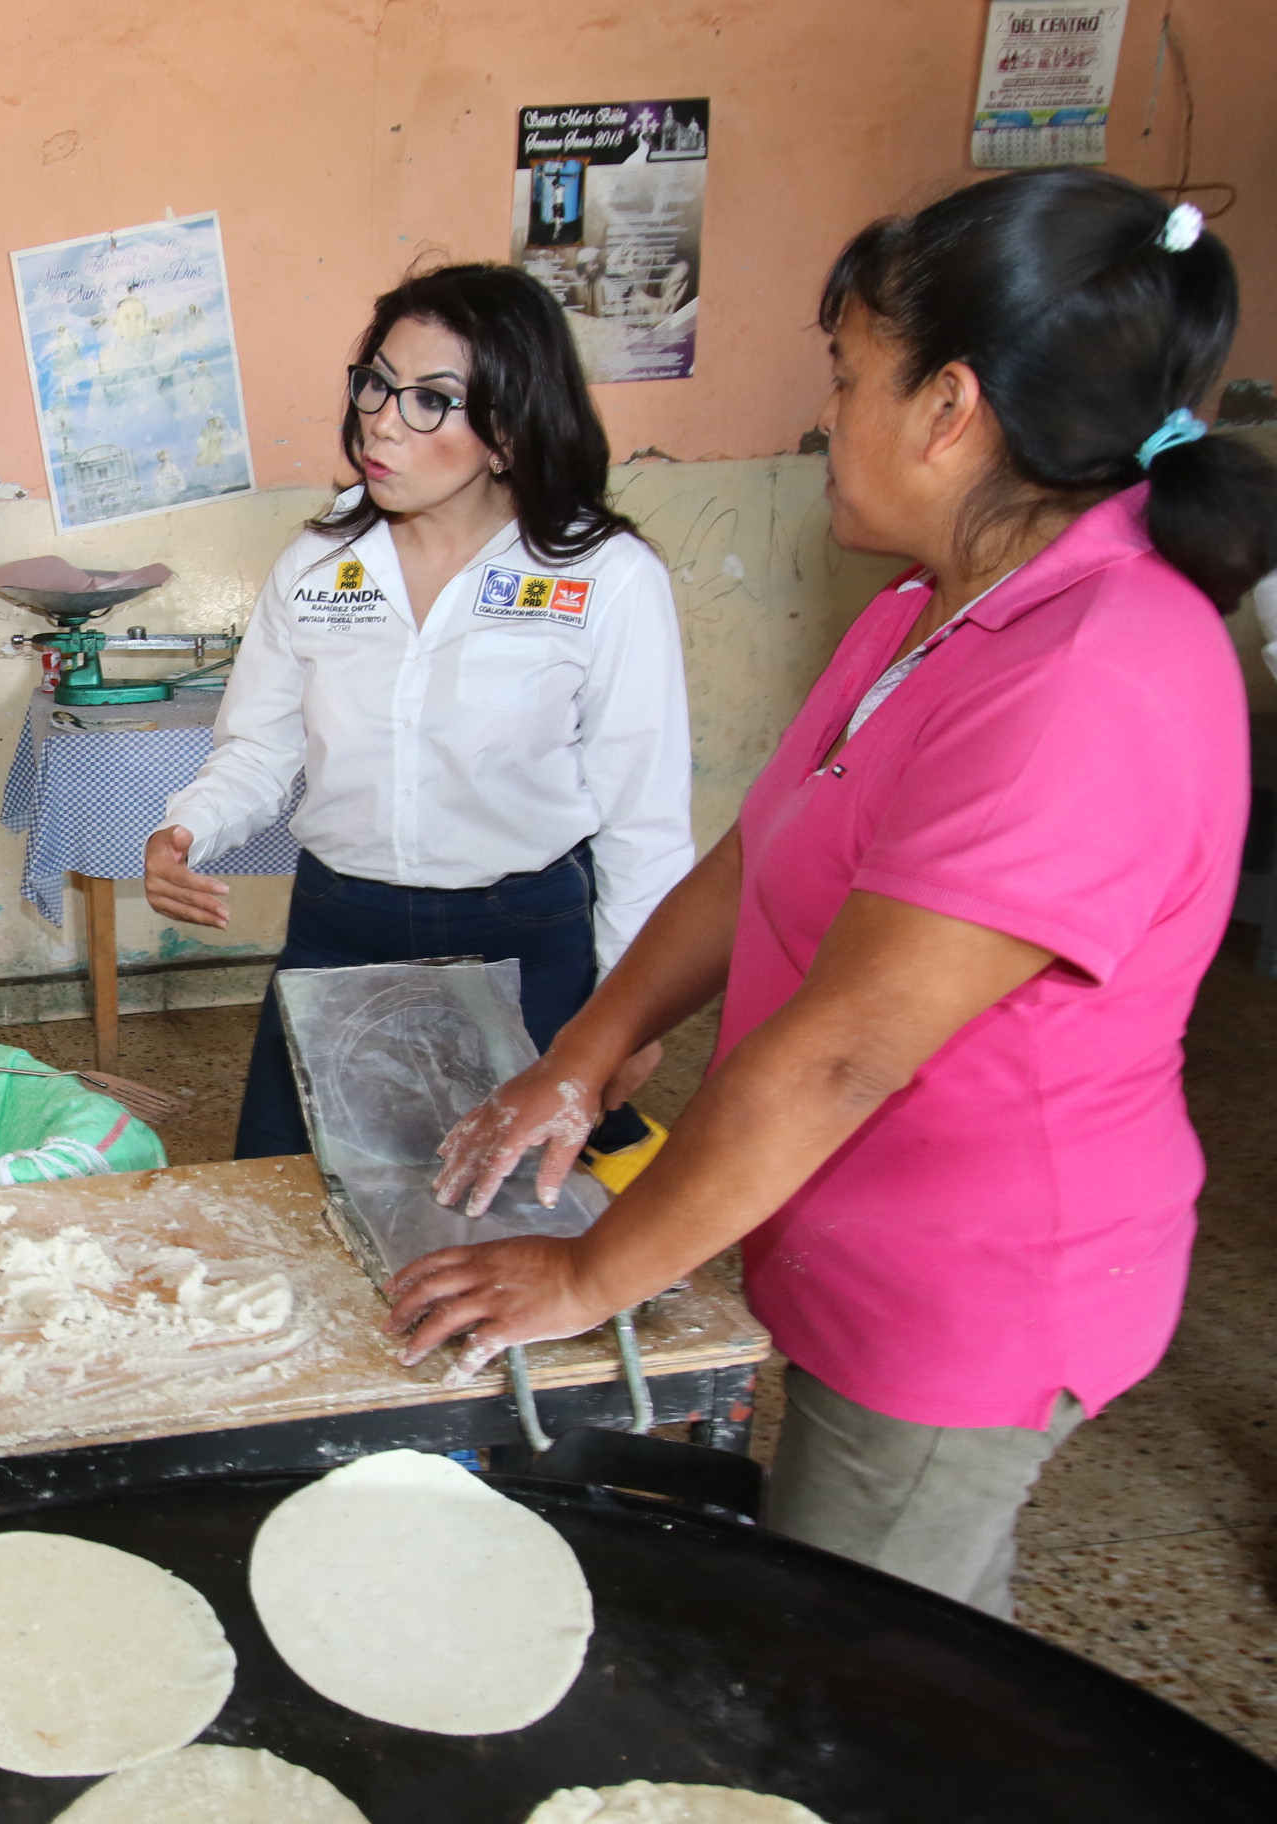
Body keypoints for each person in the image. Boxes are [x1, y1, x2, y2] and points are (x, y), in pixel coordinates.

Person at [391, 171, 1277, 1617]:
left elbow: (844, 1052)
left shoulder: (1086, 678)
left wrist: (591, 1275)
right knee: (915, 1631)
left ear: (950, 407)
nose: (827, 417)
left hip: (970, 1294)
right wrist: (584, 1056)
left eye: (849, 376)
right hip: (852, 1237)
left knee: (861, 1653)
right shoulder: (929, 609)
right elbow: (758, 853)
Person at [148, 263, 692, 1167]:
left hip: (524, 939)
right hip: (340, 927)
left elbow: (644, 819)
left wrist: (633, 1012)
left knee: (502, 1211)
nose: (383, 422)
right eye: (377, 384)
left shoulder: (604, 577)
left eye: (433, 400)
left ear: (508, 431)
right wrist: (187, 828)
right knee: (295, 1192)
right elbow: (259, 748)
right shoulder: (318, 565)